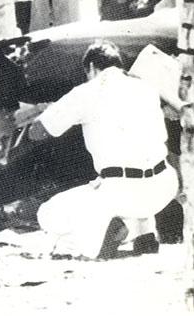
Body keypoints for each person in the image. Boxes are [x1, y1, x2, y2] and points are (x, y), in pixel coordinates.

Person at [28, 40, 178, 258]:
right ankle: (144, 233)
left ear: (91, 68)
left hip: (121, 192)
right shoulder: (147, 86)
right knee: (127, 178)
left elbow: (37, 132)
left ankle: (105, 235)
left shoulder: (87, 91)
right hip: (165, 186)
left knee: (49, 213)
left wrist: (48, 111)